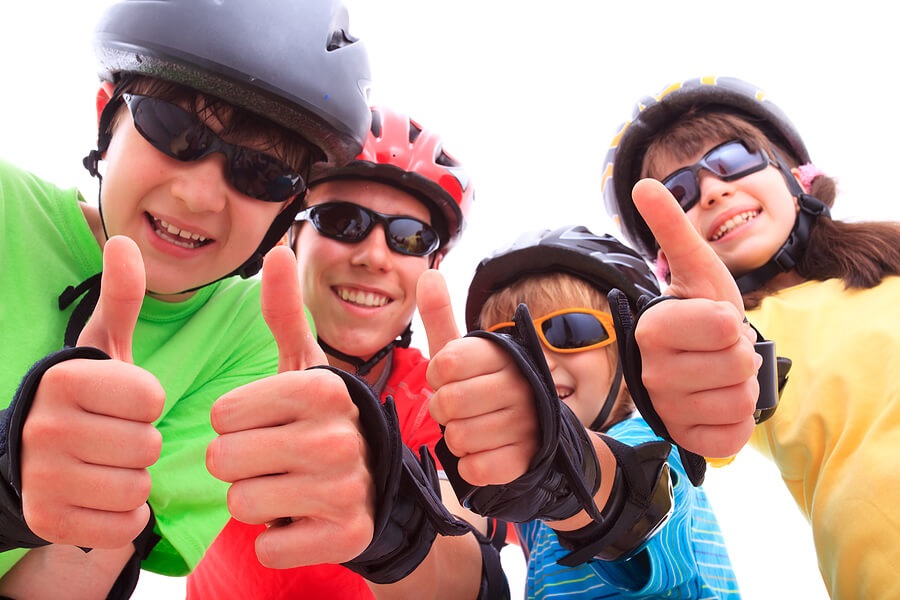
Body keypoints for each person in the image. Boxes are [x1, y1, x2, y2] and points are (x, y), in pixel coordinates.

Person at [0, 1, 372, 598]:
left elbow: (70, 573)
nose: (200, 196)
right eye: (173, 131)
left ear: (286, 210)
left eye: (260, 171)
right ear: (107, 119)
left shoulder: (249, 338)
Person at [187, 106, 509, 599]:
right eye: (342, 220)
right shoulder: (208, 358)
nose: (375, 256)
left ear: (432, 263)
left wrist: (390, 504)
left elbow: (474, 560)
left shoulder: (447, 393)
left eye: (409, 237)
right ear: (291, 234)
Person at [600, 75, 900, 599]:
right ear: (667, 257)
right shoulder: (744, 337)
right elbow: (726, 381)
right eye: (679, 194)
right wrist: (684, 366)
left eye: (732, 159)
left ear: (795, 176)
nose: (713, 190)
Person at [458, 224, 740, 598]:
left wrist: (583, 483)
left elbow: (638, 491)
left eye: (570, 331)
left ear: (632, 361)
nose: (539, 360)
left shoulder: (651, 444)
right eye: (511, 343)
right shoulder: (528, 499)